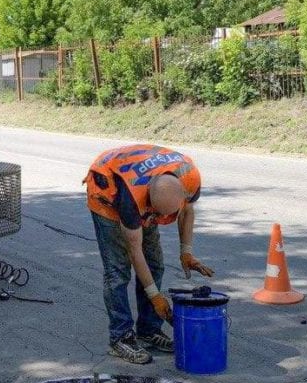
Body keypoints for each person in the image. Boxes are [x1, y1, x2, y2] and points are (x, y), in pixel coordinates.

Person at [84, 144, 213, 364]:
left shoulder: (190, 178)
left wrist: (186, 253)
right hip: (107, 191)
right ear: (149, 202)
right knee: (118, 272)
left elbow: (187, 212)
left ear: (183, 194)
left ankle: (148, 330)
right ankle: (120, 337)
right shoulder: (131, 201)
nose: (154, 221)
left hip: (141, 182)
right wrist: (155, 296)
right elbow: (134, 250)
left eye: (161, 216)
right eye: (153, 215)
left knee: (155, 265)